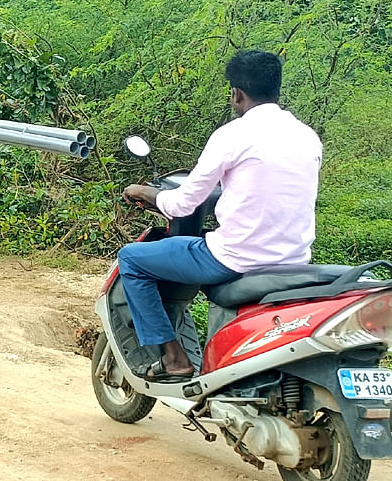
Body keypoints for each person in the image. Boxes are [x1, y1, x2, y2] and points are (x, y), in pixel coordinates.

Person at [119, 50, 322, 381]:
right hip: (294, 261)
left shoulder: (233, 135)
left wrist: (149, 194)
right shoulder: (307, 136)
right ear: (277, 89)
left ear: (237, 93)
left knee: (132, 259)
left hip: (235, 259)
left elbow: (183, 204)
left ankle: (174, 359)